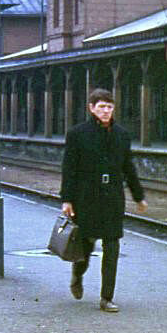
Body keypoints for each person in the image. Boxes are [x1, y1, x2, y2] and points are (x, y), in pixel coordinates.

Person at [60, 88, 147, 313]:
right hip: (86, 198)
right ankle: (77, 275)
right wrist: (67, 199)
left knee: (112, 247)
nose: (106, 111)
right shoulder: (78, 134)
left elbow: (128, 168)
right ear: (91, 108)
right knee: (85, 247)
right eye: (101, 107)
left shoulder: (121, 135)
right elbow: (69, 168)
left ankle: (106, 298)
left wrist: (138, 196)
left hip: (112, 200)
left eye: (109, 107)